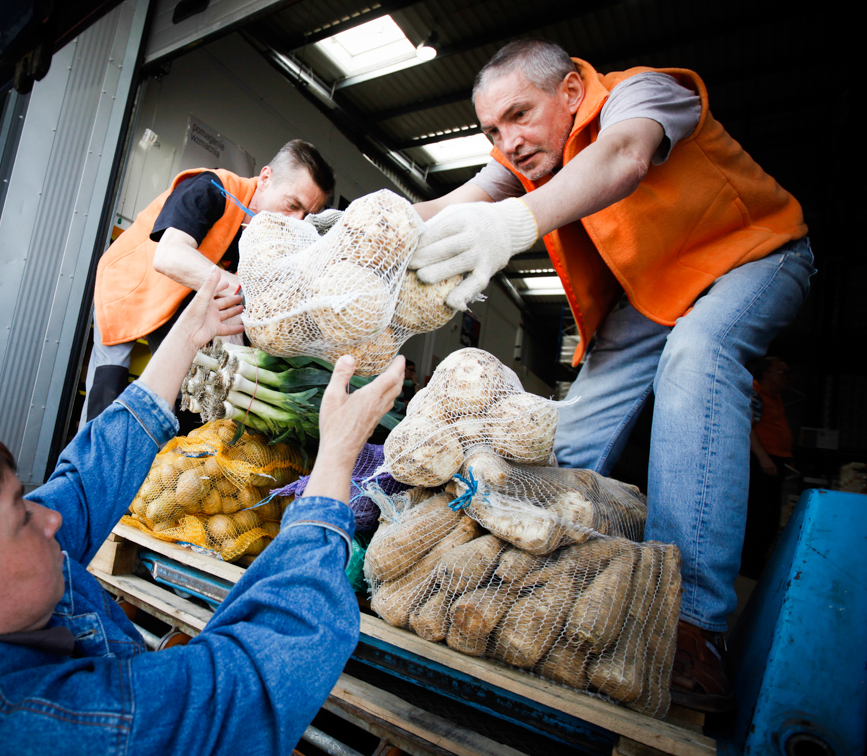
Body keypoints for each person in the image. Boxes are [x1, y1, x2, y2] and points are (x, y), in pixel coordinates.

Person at [0, 266, 405, 756]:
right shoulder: (31, 743)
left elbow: (83, 485)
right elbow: (253, 678)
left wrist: (191, 332)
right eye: (20, 518)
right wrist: (334, 463)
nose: (49, 520)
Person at [409, 39, 813, 711]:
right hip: (659, 290)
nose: (508, 142)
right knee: (567, 430)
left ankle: (693, 625)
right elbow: (463, 199)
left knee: (698, 356)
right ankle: (512, 560)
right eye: (491, 131)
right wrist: (368, 225)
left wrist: (514, 222)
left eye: (518, 115)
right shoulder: (527, 154)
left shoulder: (645, 93)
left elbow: (623, 154)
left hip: (757, 254)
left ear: (570, 92)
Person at [86, 139, 335, 421]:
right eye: (292, 205)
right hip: (131, 284)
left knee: (180, 389)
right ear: (266, 178)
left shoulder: (272, 236)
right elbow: (169, 256)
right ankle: (87, 462)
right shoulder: (211, 188)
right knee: (106, 390)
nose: (296, 221)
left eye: (307, 215)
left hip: (180, 296)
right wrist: (243, 292)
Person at [742, 357, 793, 578]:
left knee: (769, 517)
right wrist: (764, 459)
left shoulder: (775, 398)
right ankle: (749, 566)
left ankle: (756, 562)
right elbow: (748, 429)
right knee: (760, 516)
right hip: (761, 463)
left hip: (772, 462)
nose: (787, 378)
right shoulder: (755, 394)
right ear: (767, 374)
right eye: (783, 373)